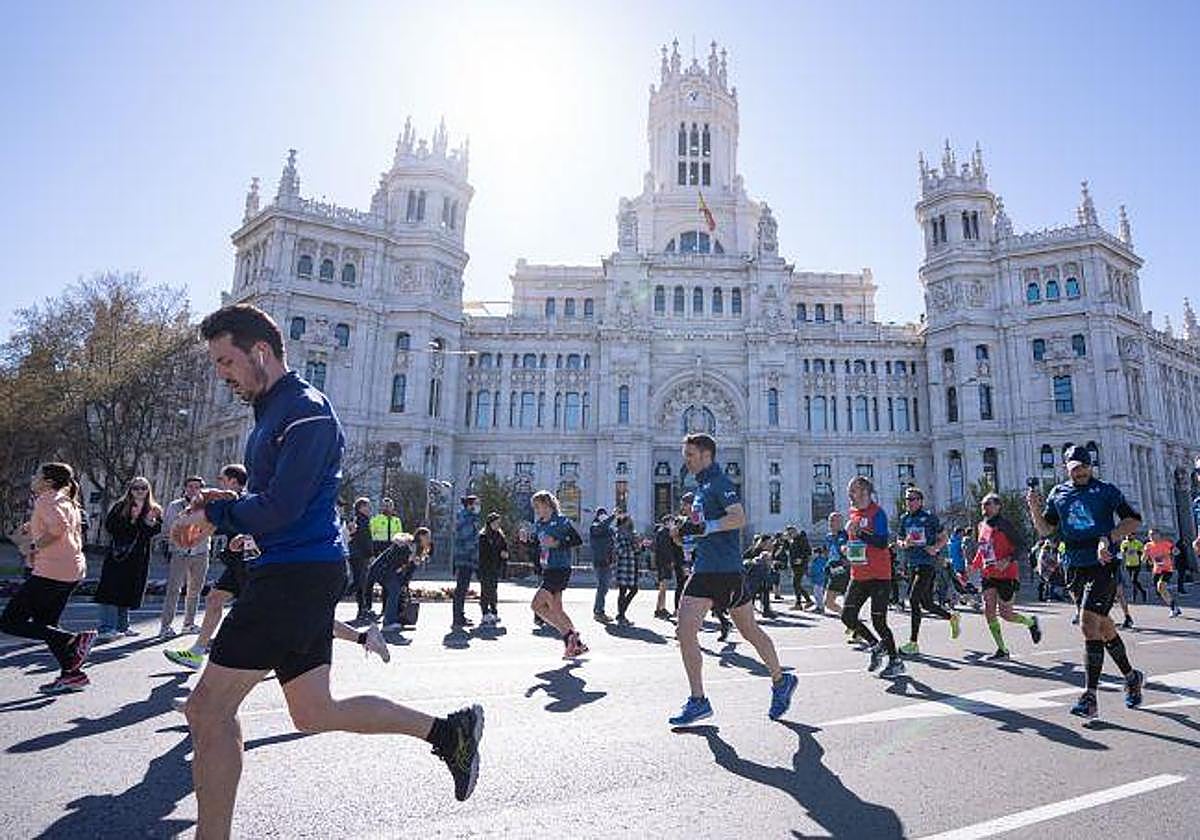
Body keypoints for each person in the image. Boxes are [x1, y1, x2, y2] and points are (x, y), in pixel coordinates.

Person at [173, 304, 482, 838]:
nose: (222, 374)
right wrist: (230, 501)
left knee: (206, 711)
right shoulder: (275, 411)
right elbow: (274, 499)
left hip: (293, 574)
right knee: (314, 711)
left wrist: (215, 512)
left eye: (226, 360)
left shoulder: (305, 411)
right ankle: (449, 733)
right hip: (300, 569)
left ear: (260, 352)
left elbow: (282, 508)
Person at [668, 433, 797, 726]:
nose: (685, 460)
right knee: (684, 630)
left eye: (689, 454)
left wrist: (707, 527)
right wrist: (683, 534)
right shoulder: (700, 488)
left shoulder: (720, 483)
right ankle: (698, 699)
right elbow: (701, 529)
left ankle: (780, 680)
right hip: (703, 570)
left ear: (705, 455)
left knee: (749, 631)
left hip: (727, 571)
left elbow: (738, 517)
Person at [1027, 444, 1144, 719]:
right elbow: (1047, 529)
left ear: (1090, 466)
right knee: (1103, 627)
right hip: (1074, 567)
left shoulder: (1106, 491)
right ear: (1066, 469)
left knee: (1087, 623)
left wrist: (1109, 538)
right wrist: (1033, 508)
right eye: (1073, 468)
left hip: (1103, 564)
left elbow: (1133, 520)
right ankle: (1131, 676)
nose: (1079, 472)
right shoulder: (1059, 493)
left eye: (1083, 467)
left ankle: (1090, 697)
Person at [0, 463, 97, 694]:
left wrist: (33, 546)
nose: (33, 478)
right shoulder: (67, 500)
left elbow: (57, 529)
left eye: (38, 475)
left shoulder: (47, 499)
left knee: (10, 621)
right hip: (71, 570)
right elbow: (62, 528)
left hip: (51, 571)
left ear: (48, 481)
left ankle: (73, 640)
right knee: (47, 624)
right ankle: (72, 674)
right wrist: (31, 529)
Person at [163, 465, 255, 670]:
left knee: (281, 616)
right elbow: (211, 526)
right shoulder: (225, 502)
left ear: (232, 481)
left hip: (255, 566)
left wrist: (246, 537)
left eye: (222, 479)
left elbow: (263, 527)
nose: (219, 483)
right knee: (214, 599)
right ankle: (197, 652)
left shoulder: (249, 502)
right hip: (236, 563)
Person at [840, 476, 904, 678]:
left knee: (879, 622)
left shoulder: (878, 513)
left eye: (854, 490)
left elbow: (882, 542)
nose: (850, 494)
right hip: (858, 574)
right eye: (850, 490)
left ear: (865, 492)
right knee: (847, 617)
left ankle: (895, 661)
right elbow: (855, 541)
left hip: (879, 575)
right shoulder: (853, 513)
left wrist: (860, 534)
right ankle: (876, 645)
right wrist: (846, 547)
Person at [972, 492, 1041, 659]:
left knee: (1006, 614)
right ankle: (1002, 649)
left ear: (998, 506)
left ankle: (1030, 622)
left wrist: (1008, 560)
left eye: (988, 504)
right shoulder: (981, 526)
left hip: (1007, 575)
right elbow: (982, 550)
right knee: (989, 610)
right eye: (983, 504)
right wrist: (972, 566)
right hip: (988, 574)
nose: (985, 507)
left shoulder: (1005, 525)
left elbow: (1022, 546)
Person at [95, 477, 163, 640]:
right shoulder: (121, 506)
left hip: (138, 556)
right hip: (118, 555)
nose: (140, 491)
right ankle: (107, 627)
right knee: (111, 589)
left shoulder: (153, 509)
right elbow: (110, 527)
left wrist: (150, 522)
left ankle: (122, 626)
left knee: (128, 589)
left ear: (148, 490)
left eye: (143, 488)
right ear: (130, 490)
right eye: (136, 488)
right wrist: (132, 520)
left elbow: (154, 532)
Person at [895, 487, 960, 656]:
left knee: (914, 600)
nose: (908, 502)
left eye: (912, 499)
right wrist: (904, 544)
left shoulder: (929, 518)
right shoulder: (904, 519)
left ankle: (913, 643)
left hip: (927, 564)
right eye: (907, 499)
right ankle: (951, 617)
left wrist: (935, 548)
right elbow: (899, 539)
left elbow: (944, 537)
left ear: (920, 501)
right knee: (927, 604)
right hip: (912, 564)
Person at [530, 490, 589, 657]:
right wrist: (527, 540)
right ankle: (576, 644)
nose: (537, 510)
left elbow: (577, 540)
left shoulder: (562, 521)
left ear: (548, 505)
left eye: (539, 506)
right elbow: (537, 545)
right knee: (557, 609)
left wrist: (558, 543)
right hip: (548, 568)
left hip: (560, 568)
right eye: (535, 507)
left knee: (536, 605)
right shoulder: (540, 524)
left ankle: (568, 635)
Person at [159, 476, 212, 639]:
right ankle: (165, 626)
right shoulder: (175, 506)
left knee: (195, 590)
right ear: (185, 489)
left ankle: (189, 623)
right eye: (190, 487)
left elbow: (210, 527)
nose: (194, 490)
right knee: (173, 590)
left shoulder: (208, 507)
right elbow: (168, 527)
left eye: (197, 487)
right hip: (180, 552)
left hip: (201, 552)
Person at [452, 495, 481, 629]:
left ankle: (460, 615)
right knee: (461, 588)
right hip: (465, 557)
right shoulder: (466, 518)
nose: (478, 506)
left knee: (463, 589)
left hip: (466, 558)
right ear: (470, 505)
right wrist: (474, 548)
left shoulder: (469, 517)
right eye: (476, 504)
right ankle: (458, 617)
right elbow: (467, 537)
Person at [478, 513, 508, 625]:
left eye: (498, 523)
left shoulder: (499, 535)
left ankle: (494, 612)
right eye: (495, 523)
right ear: (490, 523)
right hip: (485, 567)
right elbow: (482, 553)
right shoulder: (483, 535)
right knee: (485, 590)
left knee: (493, 590)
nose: (497, 525)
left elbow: (504, 547)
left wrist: (504, 554)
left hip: (495, 567)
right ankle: (485, 613)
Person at [1143, 529, 1182, 617]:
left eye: (1153, 535)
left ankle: (1173, 609)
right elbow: (1144, 559)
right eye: (1150, 535)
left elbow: (1177, 551)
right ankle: (1175, 606)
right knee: (1160, 591)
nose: (1151, 537)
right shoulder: (1148, 546)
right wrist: (1145, 555)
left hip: (1167, 569)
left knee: (1161, 586)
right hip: (1156, 571)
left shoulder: (1166, 543)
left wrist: (1173, 552)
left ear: (1159, 535)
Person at [348, 498, 375, 621]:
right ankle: (342, 593)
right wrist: (370, 554)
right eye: (368, 506)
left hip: (359, 554)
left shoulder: (362, 520)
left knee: (361, 583)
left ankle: (362, 610)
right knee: (359, 582)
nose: (370, 509)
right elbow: (363, 539)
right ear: (361, 508)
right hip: (359, 555)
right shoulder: (360, 520)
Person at [589, 507, 616, 623]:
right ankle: (599, 612)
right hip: (599, 561)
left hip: (608, 561)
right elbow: (601, 527)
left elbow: (612, 533)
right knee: (601, 587)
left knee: (604, 588)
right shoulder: (594, 526)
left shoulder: (607, 529)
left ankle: (599, 610)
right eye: (601, 514)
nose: (603, 516)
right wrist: (612, 517)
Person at [613, 513, 640, 625]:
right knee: (623, 591)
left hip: (631, 565)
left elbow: (636, 551)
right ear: (623, 523)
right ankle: (621, 615)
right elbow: (619, 551)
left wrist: (639, 545)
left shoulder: (631, 534)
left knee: (634, 590)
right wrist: (632, 543)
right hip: (623, 566)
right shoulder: (618, 534)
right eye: (628, 522)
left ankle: (621, 613)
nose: (630, 524)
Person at [653, 514, 681, 619]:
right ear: (666, 522)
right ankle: (660, 609)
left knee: (663, 587)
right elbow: (666, 550)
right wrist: (671, 561)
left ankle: (660, 608)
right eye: (671, 521)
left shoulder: (662, 532)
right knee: (663, 587)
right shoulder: (663, 533)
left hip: (663, 562)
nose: (672, 523)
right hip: (664, 563)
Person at [823, 512, 850, 617]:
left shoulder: (845, 535)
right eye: (830, 520)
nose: (832, 523)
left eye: (835, 520)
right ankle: (847, 616)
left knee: (846, 600)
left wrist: (845, 550)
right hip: (833, 571)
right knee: (828, 603)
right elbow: (828, 552)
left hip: (844, 570)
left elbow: (846, 548)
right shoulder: (828, 537)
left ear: (841, 523)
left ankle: (850, 618)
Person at [787, 527, 814, 610]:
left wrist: (801, 559)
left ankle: (800, 603)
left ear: (795, 531)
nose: (790, 535)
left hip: (800, 565)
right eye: (789, 534)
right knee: (796, 584)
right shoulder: (792, 540)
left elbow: (808, 552)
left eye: (791, 533)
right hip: (795, 565)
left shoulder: (802, 539)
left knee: (796, 584)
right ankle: (806, 601)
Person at [1120, 533, 1147, 605]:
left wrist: (1139, 552)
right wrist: (1123, 563)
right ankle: (1141, 592)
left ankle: (1136, 595)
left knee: (1133, 580)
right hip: (1128, 564)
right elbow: (1122, 553)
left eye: (1130, 535)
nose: (1128, 536)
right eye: (1127, 535)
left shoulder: (1138, 543)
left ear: (1134, 536)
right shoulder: (1124, 543)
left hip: (1136, 564)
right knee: (1133, 581)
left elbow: (1143, 551)